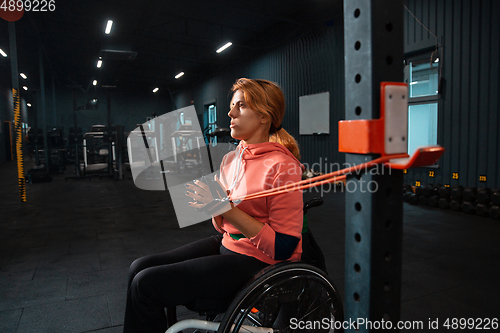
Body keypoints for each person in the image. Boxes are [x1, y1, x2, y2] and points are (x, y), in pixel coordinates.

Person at [123, 78, 304, 333]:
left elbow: (285, 247)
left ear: (264, 116)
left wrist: (224, 207)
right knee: (138, 267)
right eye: (232, 106)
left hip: (259, 261)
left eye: (240, 106)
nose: (230, 113)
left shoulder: (282, 166)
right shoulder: (231, 158)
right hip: (228, 244)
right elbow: (222, 226)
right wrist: (209, 204)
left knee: (145, 284)